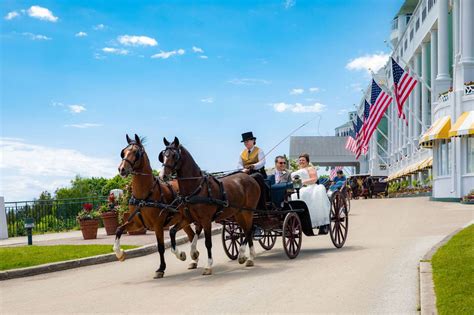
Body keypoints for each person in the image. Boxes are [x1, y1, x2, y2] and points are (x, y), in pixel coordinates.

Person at [291, 153, 330, 234]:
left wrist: (302, 182)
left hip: (310, 187)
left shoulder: (310, 169)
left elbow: (314, 179)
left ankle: (322, 223)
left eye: (303, 160)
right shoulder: (296, 171)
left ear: (307, 162)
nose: (301, 161)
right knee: (292, 196)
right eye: (300, 160)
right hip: (298, 188)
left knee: (303, 193)